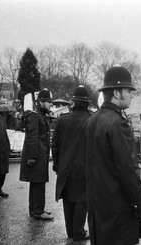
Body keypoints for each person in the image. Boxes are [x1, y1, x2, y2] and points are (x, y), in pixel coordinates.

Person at [84, 66, 141, 244]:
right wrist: (139, 203)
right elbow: (128, 170)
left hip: (97, 208)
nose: (132, 95)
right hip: (117, 209)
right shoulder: (118, 123)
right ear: (117, 93)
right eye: (129, 90)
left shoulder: (91, 120)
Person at [51, 86, 91, 242]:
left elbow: (55, 145)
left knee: (67, 199)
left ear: (73, 102)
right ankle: (78, 232)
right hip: (84, 168)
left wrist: (57, 165)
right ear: (87, 104)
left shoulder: (62, 120)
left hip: (65, 167)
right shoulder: (91, 120)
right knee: (82, 200)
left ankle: (70, 232)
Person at [19, 89, 54, 220]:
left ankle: (34, 209)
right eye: (48, 102)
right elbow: (32, 137)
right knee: (38, 183)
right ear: (40, 102)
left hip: (39, 155)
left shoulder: (40, 115)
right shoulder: (35, 116)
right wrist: (33, 157)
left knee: (36, 183)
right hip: (37, 156)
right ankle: (38, 211)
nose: (51, 105)